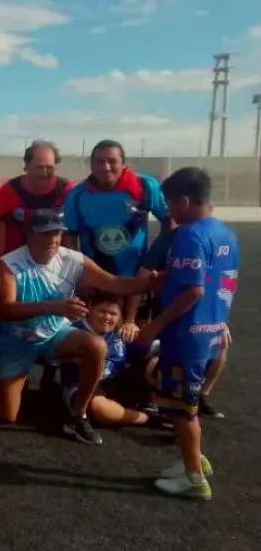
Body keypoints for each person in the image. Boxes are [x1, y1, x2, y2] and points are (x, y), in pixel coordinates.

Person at [0, 209, 161, 445]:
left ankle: (78, 414)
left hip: (54, 333)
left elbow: (115, 283)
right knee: (6, 416)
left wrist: (148, 283)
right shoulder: (8, 265)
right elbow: (6, 310)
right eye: (45, 233)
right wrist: (54, 307)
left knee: (96, 346)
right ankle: (22, 387)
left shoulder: (73, 259)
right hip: (17, 342)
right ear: (28, 234)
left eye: (57, 233)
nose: (52, 239)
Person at [135, 167, 238, 500]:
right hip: (209, 332)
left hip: (186, 336)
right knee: (186, 403)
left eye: (169, 203)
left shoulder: (189, 236)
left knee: (181, 408)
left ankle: (194, 479)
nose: (168, 211)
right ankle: (191, 459)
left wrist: (153, 325)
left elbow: (193, 291)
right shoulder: (224, 233)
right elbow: (217, 281)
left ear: (185, 201)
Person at [63, 139, 172, 343]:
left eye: (112, 161)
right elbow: (70, 237)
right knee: (94, 337)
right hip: (96, 278)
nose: (105, 167)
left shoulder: (145, 186)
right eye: (99, 161)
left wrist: (156, 258)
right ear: (91, 164)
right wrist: (78, 276)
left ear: (123, 162)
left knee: (133, 338)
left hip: (135, 281)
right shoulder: (77, 195)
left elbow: (169, 220)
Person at [57, 292, 164, 430]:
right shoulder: (74, 332)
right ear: (90, 310)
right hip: (84, 388)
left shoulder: (119, 334)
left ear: (120, 318)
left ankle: (168, 408)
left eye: (113, 314)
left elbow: (157, 347)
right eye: (102, 311)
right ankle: (149, 418)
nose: (107, 317)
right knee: (99, 408)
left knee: (159, 364)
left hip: (116, 384)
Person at [0, 140, 71, 259]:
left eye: (50, 168)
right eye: (39, 167)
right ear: (26, 165)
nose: (44, 173)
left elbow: (71, 233)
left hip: (55, 263)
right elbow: (0, 234)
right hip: (16, 263)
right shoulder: (8, 192)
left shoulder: (66, 191)